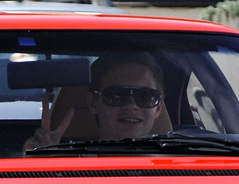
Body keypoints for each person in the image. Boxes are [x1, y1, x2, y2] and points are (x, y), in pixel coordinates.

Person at [25, 52, 165, 150]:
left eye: (145, 96)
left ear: (159, 107)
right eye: (116, 95)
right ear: (93, 102)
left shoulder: (182, 165)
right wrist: (44, 161)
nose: (131, 105)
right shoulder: (69, 169)